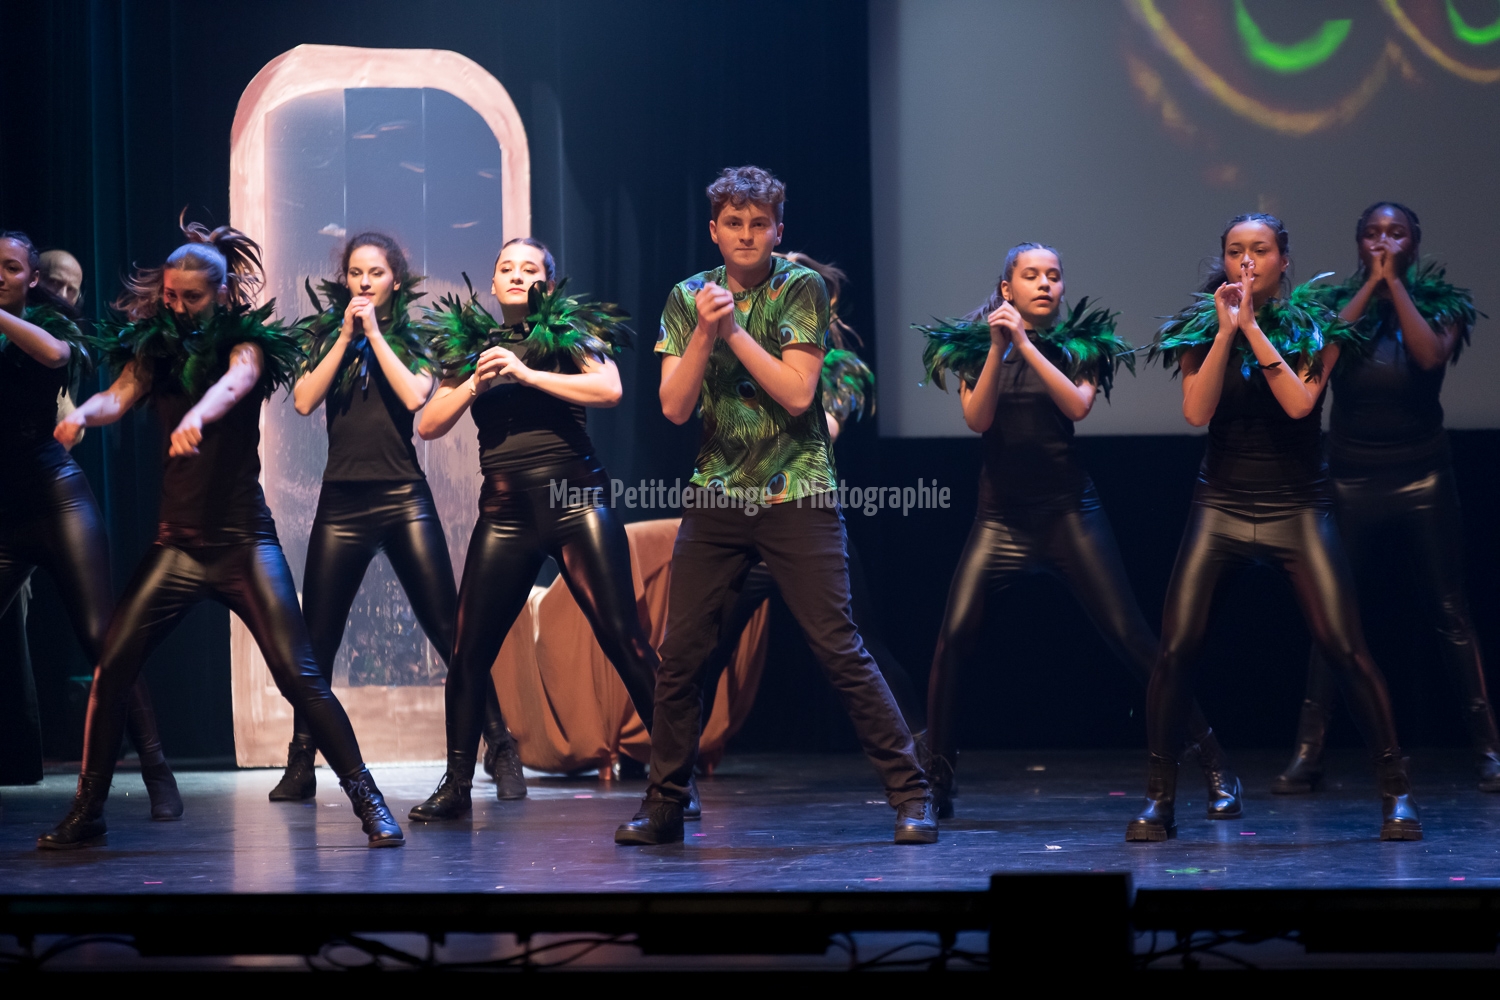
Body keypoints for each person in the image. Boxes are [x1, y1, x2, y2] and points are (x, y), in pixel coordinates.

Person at [38, 219, 402, 849]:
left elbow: (234, 383)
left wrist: (198, 417)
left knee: (301, 677)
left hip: (244, 544)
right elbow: (118, 395)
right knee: (113, 668)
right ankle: (87, 809)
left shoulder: (248, 343)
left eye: (192, 298)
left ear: (223, 292)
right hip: (176, 546)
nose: (178, 307)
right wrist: (83, 419)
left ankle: (369, 801)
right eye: (170, 296)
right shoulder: (155, 349)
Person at [615, 165, 935, 846]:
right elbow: (674, 407)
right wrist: (705, 333)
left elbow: (796, 394)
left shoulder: (801, 287)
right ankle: (665, 804)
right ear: (714, 230)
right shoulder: (687, 297)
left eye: (758, 223)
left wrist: (732, 332)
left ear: (777, 230)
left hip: (798, 492)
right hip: (717, 495)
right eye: (734, 223)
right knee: (682, 655)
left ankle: (912, 795)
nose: (746, 234)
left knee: (840, 647)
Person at [917, 243, 1240, 820]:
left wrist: (1025, 345)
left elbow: (1077, 407)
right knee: (952, 640)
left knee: (1134, 639)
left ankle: (1212, 758)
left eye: (1054, 275)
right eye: (1031, 275)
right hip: (1000, 519)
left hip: (1068, 514)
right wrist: (998, 348)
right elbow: (977, 419)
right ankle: (936, 780)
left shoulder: (1083, 345)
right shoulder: (974, 347)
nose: (1045, 283)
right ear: (1007, 289)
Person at [1132, 213, 1419, 842]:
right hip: (1221, 503)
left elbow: (1298, 403)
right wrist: (1224, 333)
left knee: (1344, 648)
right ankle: (1159, 798)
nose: (1247, 260)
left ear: (1282, 261)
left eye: (1260, 250)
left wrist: (1252, 330)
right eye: (1236, 249)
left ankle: (1396, 791)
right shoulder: (1198, 327)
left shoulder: (1319, 327)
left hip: (1297, 505)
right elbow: (1196, 411)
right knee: (1175, 650)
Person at [413, 236, 661, 821]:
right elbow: (428, 424)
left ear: (547, 282)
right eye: (507, 267)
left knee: (623, 639)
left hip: (575, 500)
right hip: (505, 512)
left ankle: (675, 777)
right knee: (467, 652)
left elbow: (609, 389)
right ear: (493, 283)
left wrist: (526, 374)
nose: (517, 275)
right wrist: (476, 382)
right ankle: (456, 786)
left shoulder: (569, 331)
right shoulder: (472, 347)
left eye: (530, 268)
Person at [262, 233, 503, 800]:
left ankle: (500, 743)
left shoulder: (415, 336)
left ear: (396, 279)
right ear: (344, 279)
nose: (364, 282)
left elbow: (416, 396)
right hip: (341, 502)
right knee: (317, 639)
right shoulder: (330, 336)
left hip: (403, 499)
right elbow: (304, 400)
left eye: (375, 272)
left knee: (449, 630)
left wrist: (373, 334)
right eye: (355, 273)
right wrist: (347, 337)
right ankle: (302, 762)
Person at [1274, 203, 1500, 794]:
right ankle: (1308, 752)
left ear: (1413, 243)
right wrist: (1370, 288)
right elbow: (1327, 354)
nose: (1383, 242)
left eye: (1395, 234)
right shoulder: (1334, 306)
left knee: (1450, 611)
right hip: (1350, 477)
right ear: (1358, 243)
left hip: (1424, 477)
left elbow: (1428, 357)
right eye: (1373, 234)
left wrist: (1393, 286)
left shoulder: (1443, 305)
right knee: (1333, 617)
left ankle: (1489, 749)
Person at [697, 252, 926, 739]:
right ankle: (674, 766)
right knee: (704, 649)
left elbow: (829, 427)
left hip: (802, 518)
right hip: (739, 517)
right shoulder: (735, 352)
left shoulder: (838, 369)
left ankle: (923, 756)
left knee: (857, 644)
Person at [0, 231, 179, 813]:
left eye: (10, 268)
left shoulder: (53, 324)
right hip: (7, 512)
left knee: (103, 637)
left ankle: (157, 769)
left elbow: (54, 355)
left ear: (32, 279)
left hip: (57, 500)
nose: (0, 275)